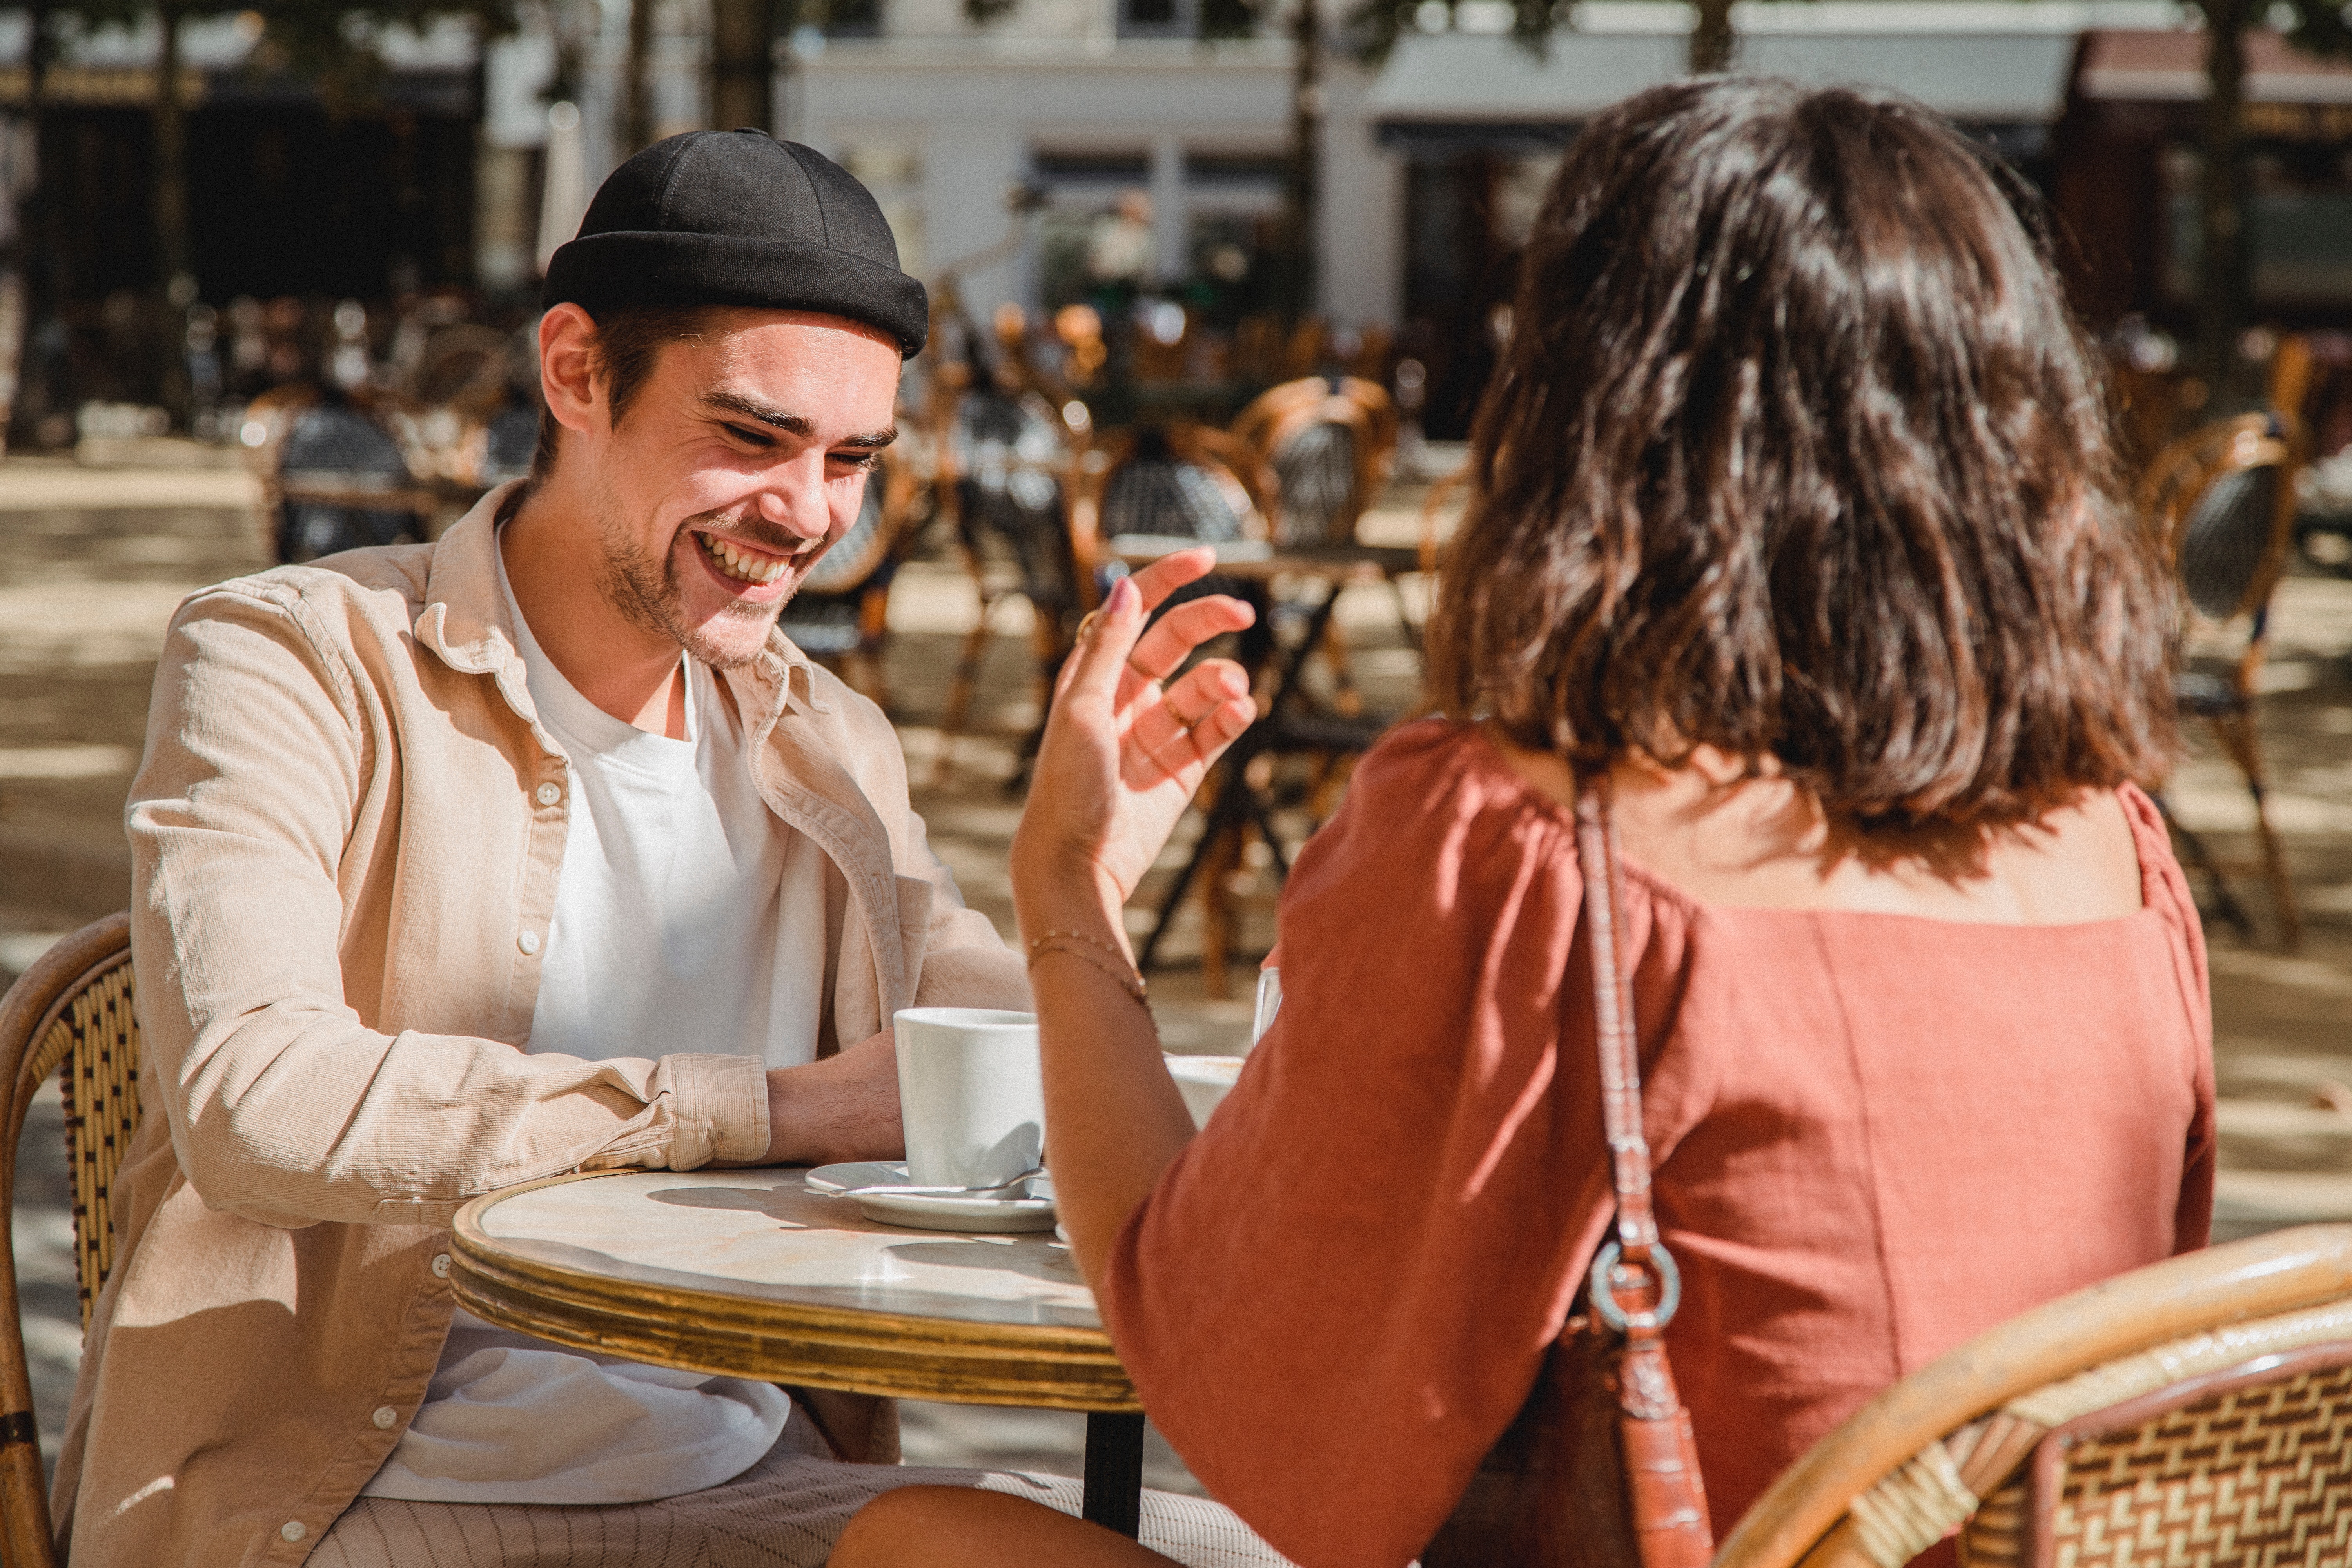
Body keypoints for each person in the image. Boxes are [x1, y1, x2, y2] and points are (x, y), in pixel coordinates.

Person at [832, 78, 2215, 1567]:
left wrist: (1070, 896)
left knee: (916, 1536)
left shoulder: (1522, 841)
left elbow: (1259, 1414)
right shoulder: (2117, 850)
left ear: (1586, 407)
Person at [58, 129, 1282, 1568]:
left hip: (750, 1479)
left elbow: (980, 1081)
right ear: (575, 372)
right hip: (334, 1500)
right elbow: (259, 1102)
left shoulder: (825, 736)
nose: (812, 514)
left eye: (852, 460)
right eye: (753, 439)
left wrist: (1078, 885)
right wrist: (773, 1110)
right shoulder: (294, 658)